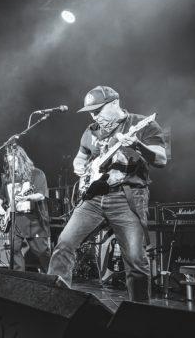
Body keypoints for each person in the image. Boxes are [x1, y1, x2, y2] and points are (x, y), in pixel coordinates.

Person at [47, 86, 167, 301]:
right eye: (91, 112)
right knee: (64, 244)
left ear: (114, 104)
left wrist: (138, 145)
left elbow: (161, 159)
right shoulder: (91, 130)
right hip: (93, 197)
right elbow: (81, 156)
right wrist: (80, 166)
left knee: (135, 259)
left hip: (127, 197)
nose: (94, 116)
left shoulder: (140, 124)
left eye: (98, 110)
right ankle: (55, 302)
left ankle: (140, 314)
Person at [0, 145, 51, 272]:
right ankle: (18, 279)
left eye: (13, 161)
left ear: (21, 159)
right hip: (15, 219)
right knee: (14, 251)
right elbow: (1, 194)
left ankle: (53, 277)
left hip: (34, 219)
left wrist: (26, 198)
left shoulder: (36, 173)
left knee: (41, 252)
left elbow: (41, 195)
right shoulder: (8, 177)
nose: (11, 164)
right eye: (9, 162)